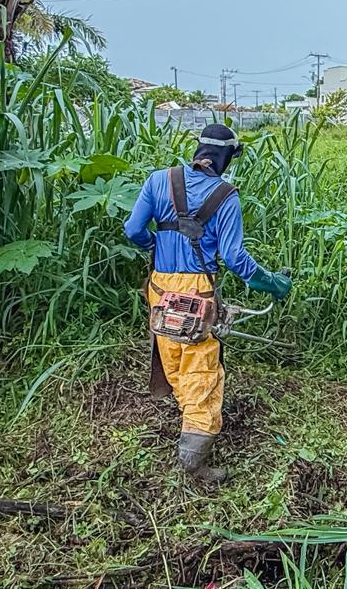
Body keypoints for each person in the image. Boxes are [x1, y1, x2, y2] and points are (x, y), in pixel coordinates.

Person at [123, 123, 291, 483]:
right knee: (201, 373)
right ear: (227, 157)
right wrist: (274, 284)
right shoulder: (225, 196)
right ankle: (193, 463)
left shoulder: (159, 180)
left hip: (160, 286)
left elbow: (133, 229)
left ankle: (188, 421)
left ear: (198, 148)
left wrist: (156, 245)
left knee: (173, 359)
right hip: (197, 292)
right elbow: (234, 257)